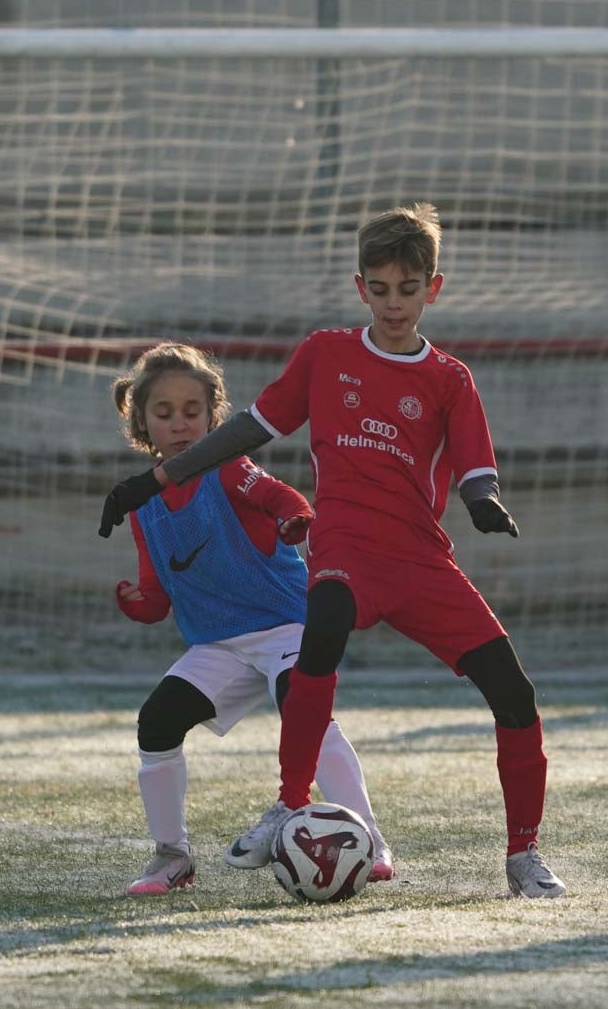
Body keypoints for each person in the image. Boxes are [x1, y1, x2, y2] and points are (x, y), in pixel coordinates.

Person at [98, 203, 567, 898]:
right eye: (380, 289)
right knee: (321, 629)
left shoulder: (450, 378)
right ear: (361, 287)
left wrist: (485, 502)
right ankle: (291, 802)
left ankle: (523, 856)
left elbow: (474, 465)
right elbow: (254, 425)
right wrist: (158, 476)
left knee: (515, 691)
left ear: (433, 289)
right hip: (344, 544)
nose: (394, 303)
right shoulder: (326, 354)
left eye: (408, 289)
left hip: (419, 559)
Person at [100, 341, 393, 895]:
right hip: (218, 645)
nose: (180, 424)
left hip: (288, 625)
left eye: (193, 412)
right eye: (164, 414)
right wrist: (135, 604)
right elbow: (158, 598)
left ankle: (371, 842)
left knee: (303, 708)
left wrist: (293, 523)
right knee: (157, 722)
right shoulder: (144, 507)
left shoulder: (230, 469)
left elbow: (290, 501)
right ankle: (172, 856)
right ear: (140, 421)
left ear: (213, 416)